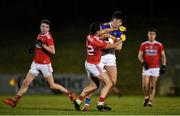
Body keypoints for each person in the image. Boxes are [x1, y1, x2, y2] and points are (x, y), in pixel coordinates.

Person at [3, 20, 75, 108]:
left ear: (49, 29)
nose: (44, 28)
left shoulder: (49, 37)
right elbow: (39, 43)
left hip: (45, 64)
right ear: (40, 27)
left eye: (46, 27)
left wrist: (43, 45)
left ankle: (69, 93)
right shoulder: (39, 35)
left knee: (52, 85)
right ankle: (15, 101)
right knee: (26, 82)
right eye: (42, 26)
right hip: (35, 63)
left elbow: (53, 51)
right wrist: (33, 47)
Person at [82, 11, 126, 111]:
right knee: (95, 83)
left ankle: (100, 102)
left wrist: (117, 40)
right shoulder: (103, 26)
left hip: (110, 57)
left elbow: (119, 48)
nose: (118, 24)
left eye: (120, 22)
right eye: (117, 21)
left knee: (112, 82)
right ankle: (87, 104)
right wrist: (108, 41)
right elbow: (93, 38)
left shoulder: (120, 31)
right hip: (100, 56)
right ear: (113, 19)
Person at [73, 22, 122, 111]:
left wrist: (113, 30)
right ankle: (100, 103)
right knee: (109, 83)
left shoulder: (89, 37)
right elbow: (114, 46)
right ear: (97, 31)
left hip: (88, 63)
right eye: (100, 29)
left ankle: (78, 101)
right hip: (94, 65)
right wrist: (121, 39)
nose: (102, 30)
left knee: (94, 86)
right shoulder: (99, 43)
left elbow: (103, 32)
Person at [138, 28, 166, 107]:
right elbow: (139, 56)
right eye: (150, 34)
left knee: (152, 86)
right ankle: (146, 97)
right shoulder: (143, 44)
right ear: (148, 35)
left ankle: (150, 102)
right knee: (145, 85)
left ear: (155, 35)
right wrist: (143, 62)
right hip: (147, 67)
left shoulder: (159, 45)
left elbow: (163, 56)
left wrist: (164, 65)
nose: (151, 35)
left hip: (155, 68)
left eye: (153, 34)